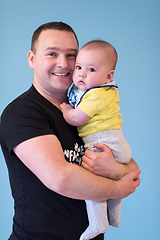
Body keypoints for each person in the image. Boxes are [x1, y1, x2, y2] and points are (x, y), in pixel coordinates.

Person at [0, 22, 140, 240]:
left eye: (71, 55)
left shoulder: (83, 109)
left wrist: (114, 169)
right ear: (32, 59)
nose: (63, 64)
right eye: (52, 54)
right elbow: (61, 178)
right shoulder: (22, 113)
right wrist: (118, 188)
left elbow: (131, 168)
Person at [60, 40, 132, 240]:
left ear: (109, 76)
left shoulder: (96, 95)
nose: (82, 74)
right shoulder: (107, 90)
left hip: (102, 142)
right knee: (112, 178)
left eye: (91, 70)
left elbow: (76, 118)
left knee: (93, 183)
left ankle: (98, 222)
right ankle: (114, 216)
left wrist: (66, 109)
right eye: (79, 67)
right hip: (118, 145)